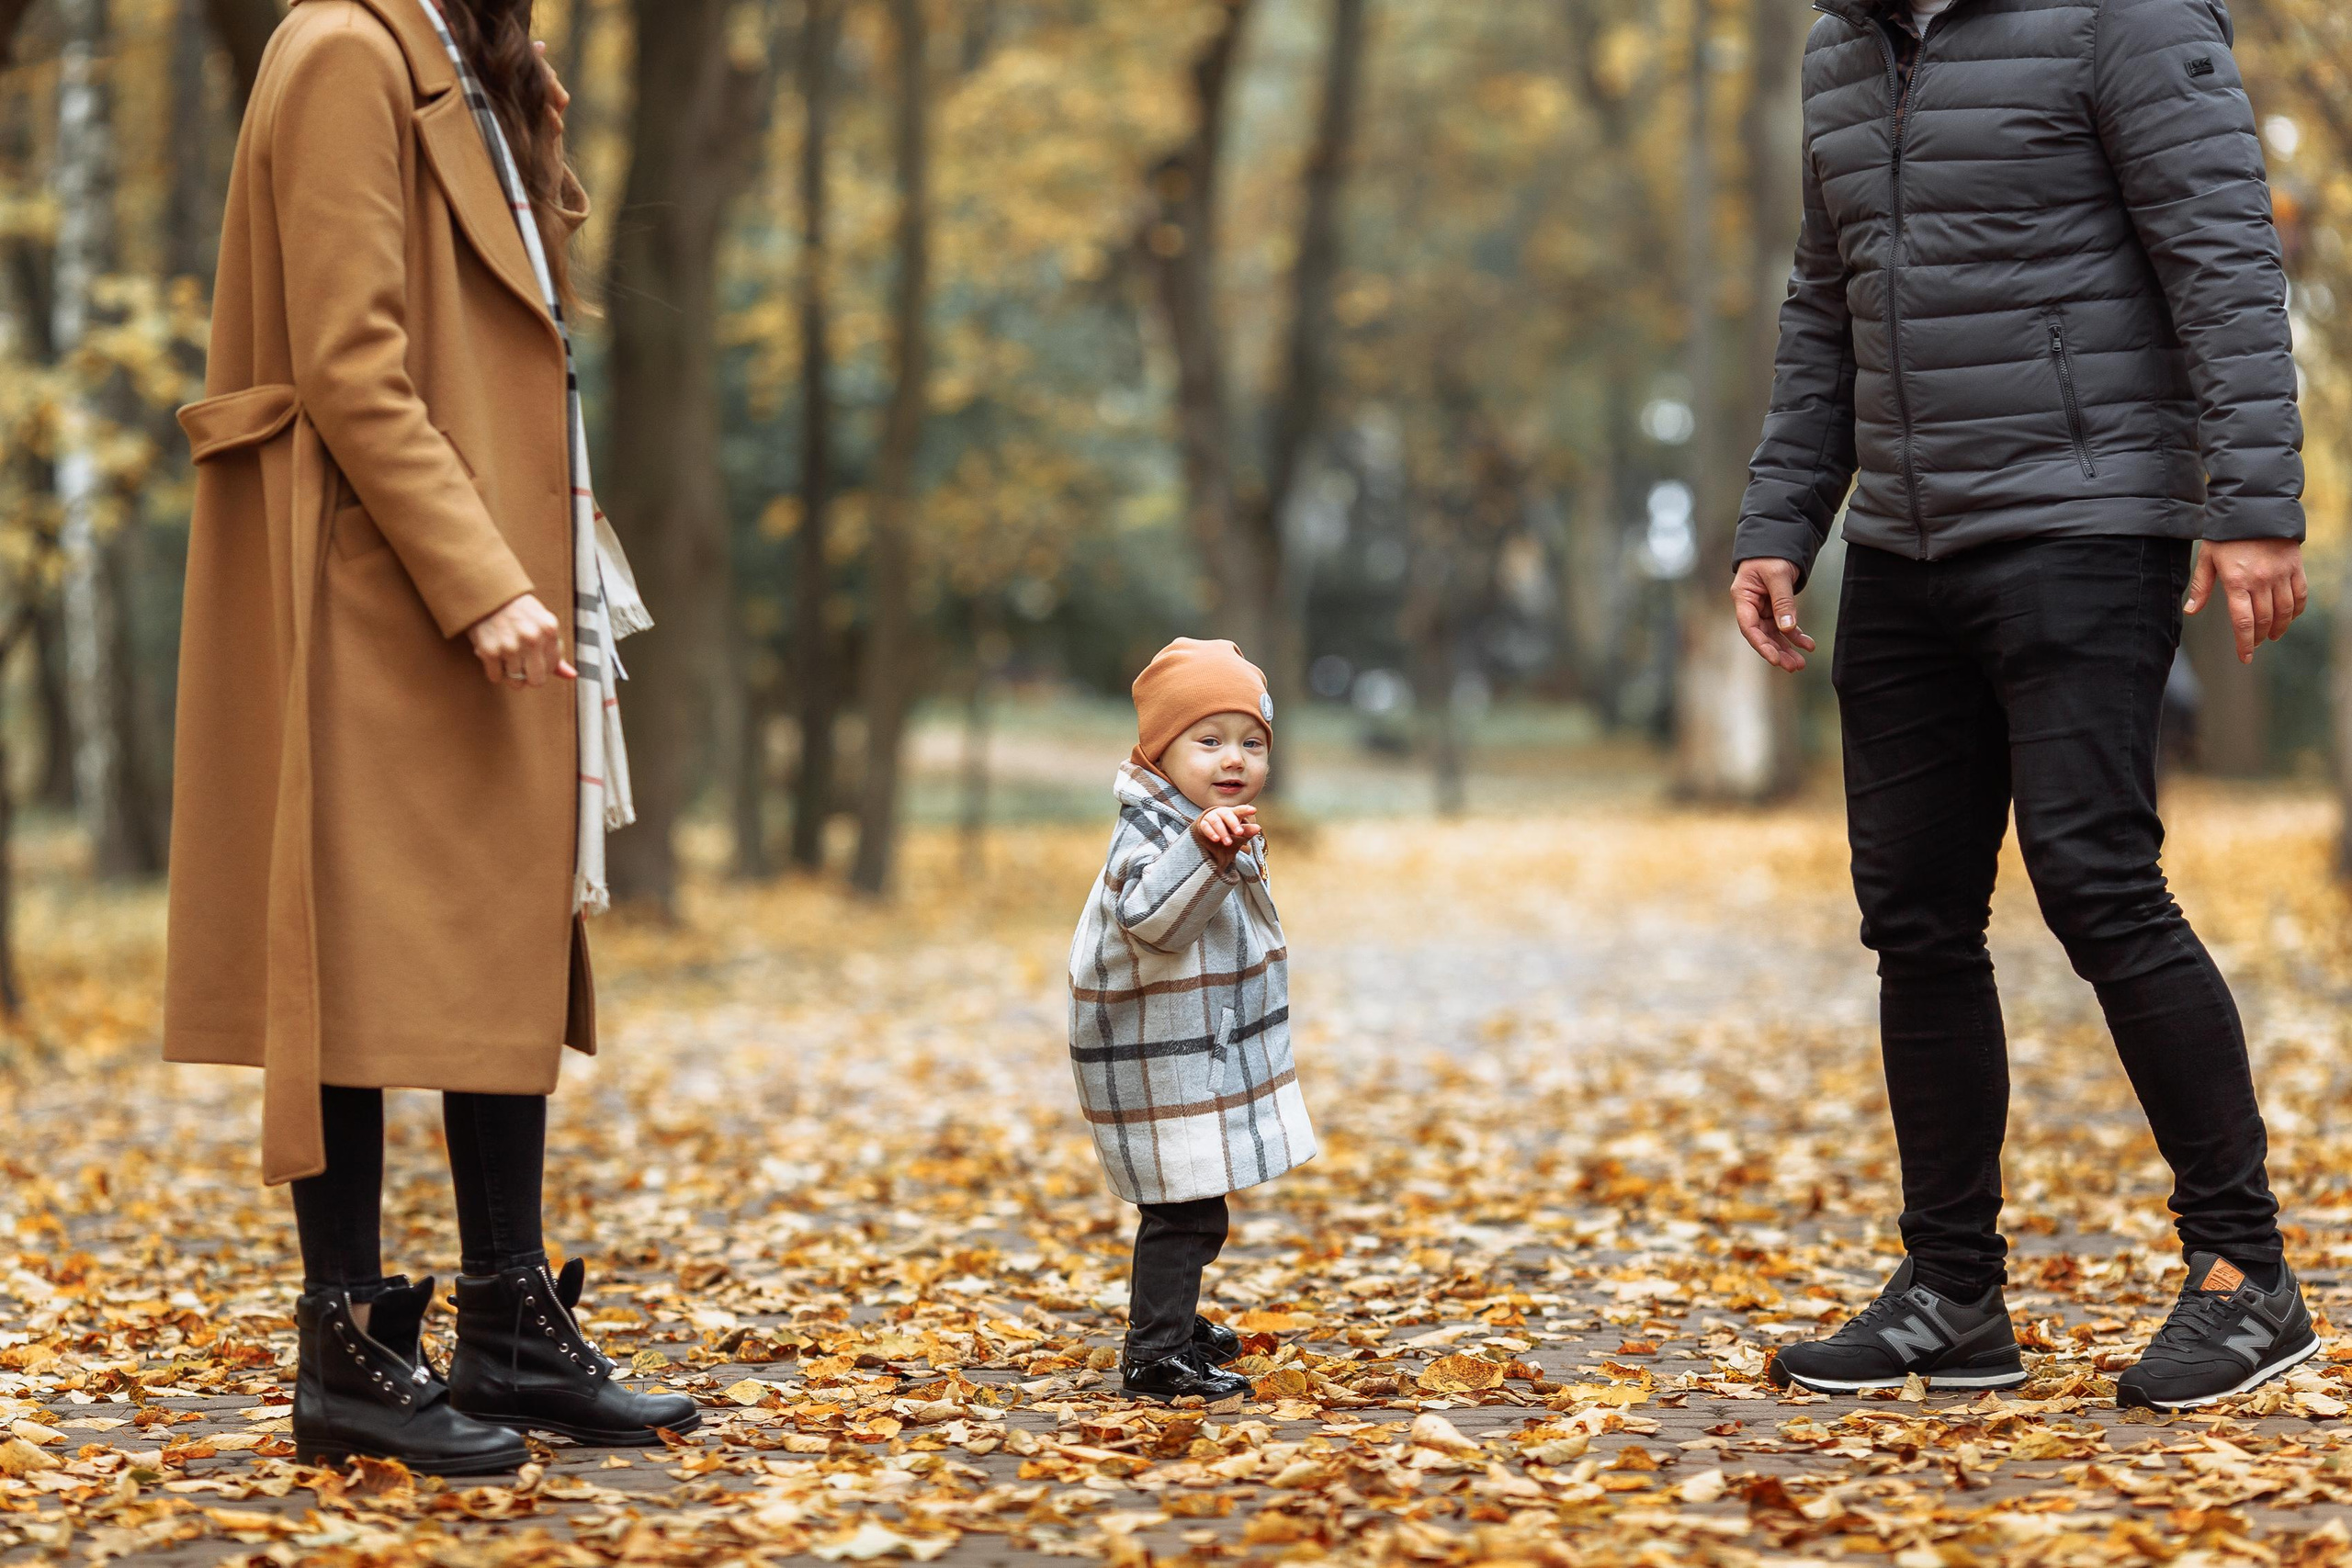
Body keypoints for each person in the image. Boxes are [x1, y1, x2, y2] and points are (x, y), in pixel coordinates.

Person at [1729, 0, 2314, 1410]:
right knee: (1914, 913)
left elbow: (2225, 260)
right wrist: (1780, 516)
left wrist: (2254, 507)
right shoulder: (1843, 47)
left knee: (2097, 878)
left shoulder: (2124, 16)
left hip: (2087, 513)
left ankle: (2248, 1274)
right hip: (1908, 543)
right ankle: (1952, 1295)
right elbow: (1829, 302)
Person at [166, 0, 686, 1472]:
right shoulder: (343, 47)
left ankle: (508, 1315)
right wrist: (479, 579)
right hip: (375, 575)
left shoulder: (460, 60)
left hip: (483, 551)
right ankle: (343, 1343)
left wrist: (526, 101)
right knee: (341, 943)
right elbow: (350, 361)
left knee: (493, 930)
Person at [1069, 639, 1317, 1404]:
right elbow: (1153, 918)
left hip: (1185, 1044)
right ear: (1159, 748)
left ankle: (1171, 1317)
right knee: (1186, 1208)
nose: (1232, 759)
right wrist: (1201, 856)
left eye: (1250, 743)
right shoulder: (1155, 829)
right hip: (1148, 1048)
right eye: (1207, 741)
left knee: (1189, 1195)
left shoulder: (1198, 817)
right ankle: (1155, 1351)